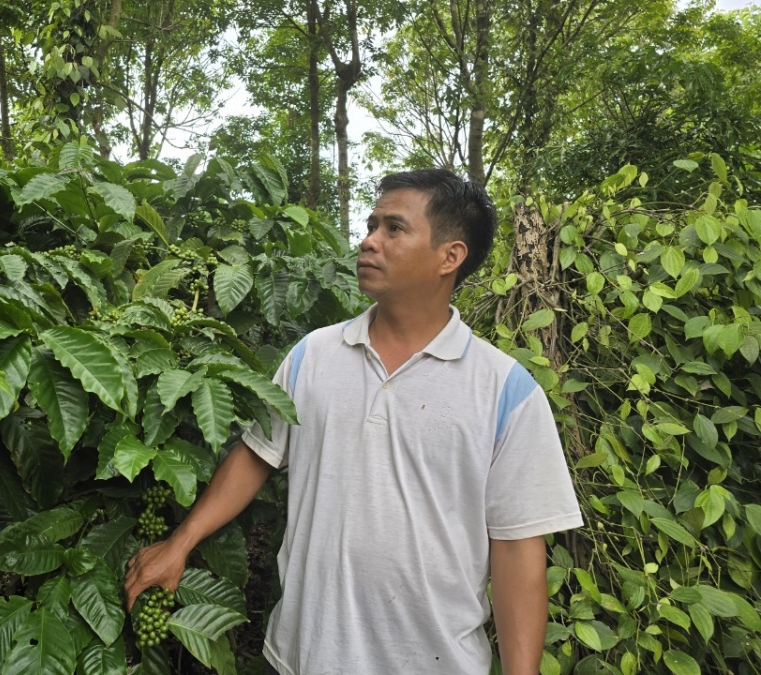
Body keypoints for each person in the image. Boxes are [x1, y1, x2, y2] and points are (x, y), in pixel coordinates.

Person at [123, 168, 584, 675]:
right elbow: (258, 454)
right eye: (371, 225)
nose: (368, 241)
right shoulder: (313, 355)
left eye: (394, 228)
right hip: (302, 656)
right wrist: (179, 542)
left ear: (450, 256)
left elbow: (517, 550)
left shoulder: (505, 391)